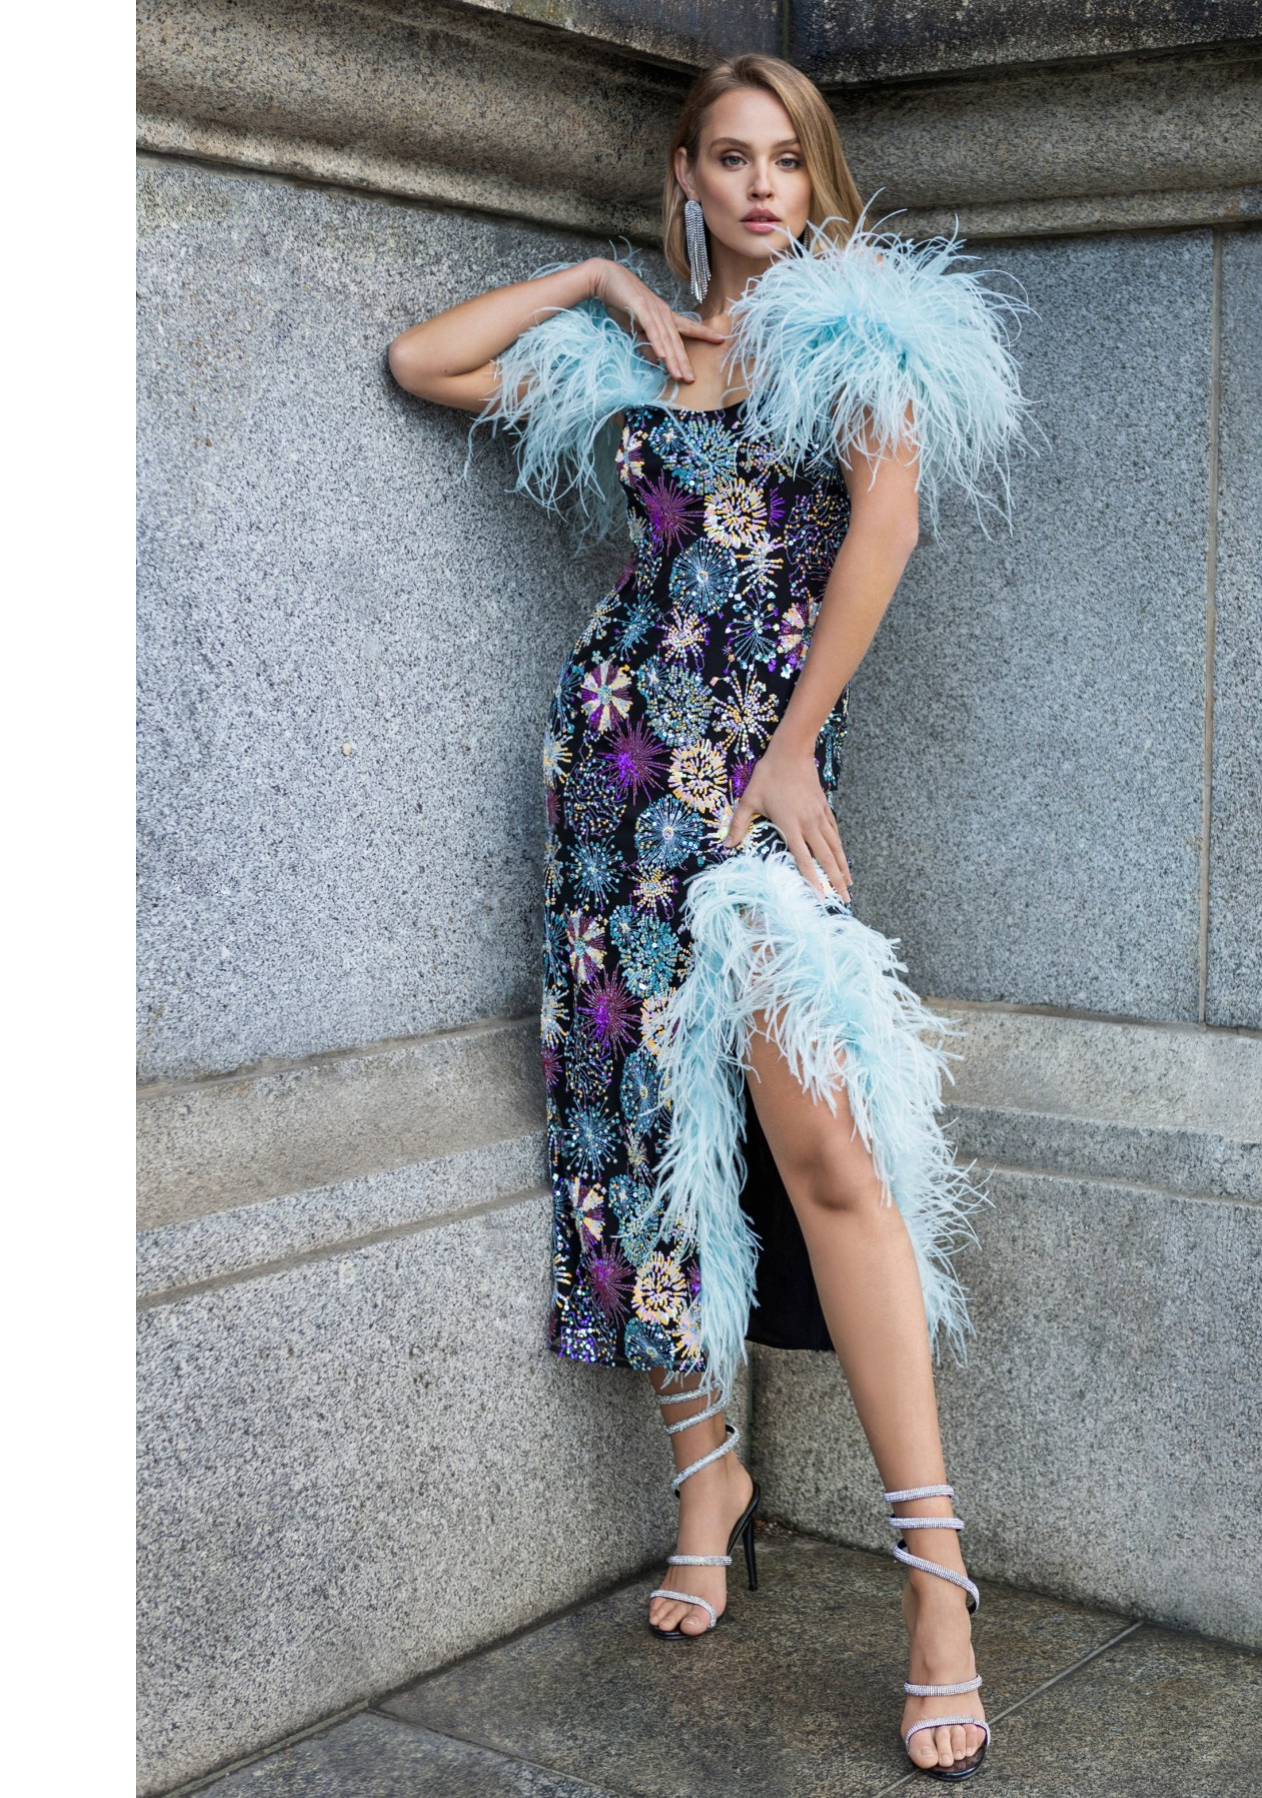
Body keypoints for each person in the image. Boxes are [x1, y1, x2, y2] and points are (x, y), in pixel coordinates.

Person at [388, 51, 1027, 1784]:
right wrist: (601, 283)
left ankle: (937, 1587)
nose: (759, 187)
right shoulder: (632, 353)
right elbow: (424, 361)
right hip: (607, 780)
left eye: (785, 161)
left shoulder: (864, 340)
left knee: (828, 1152)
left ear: (817, 183)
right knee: (628, 1132)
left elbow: (882, 531)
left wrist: (796, 750)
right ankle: (706, 1476)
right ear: (685, 175)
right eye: (728, 158)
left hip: (752, 792)